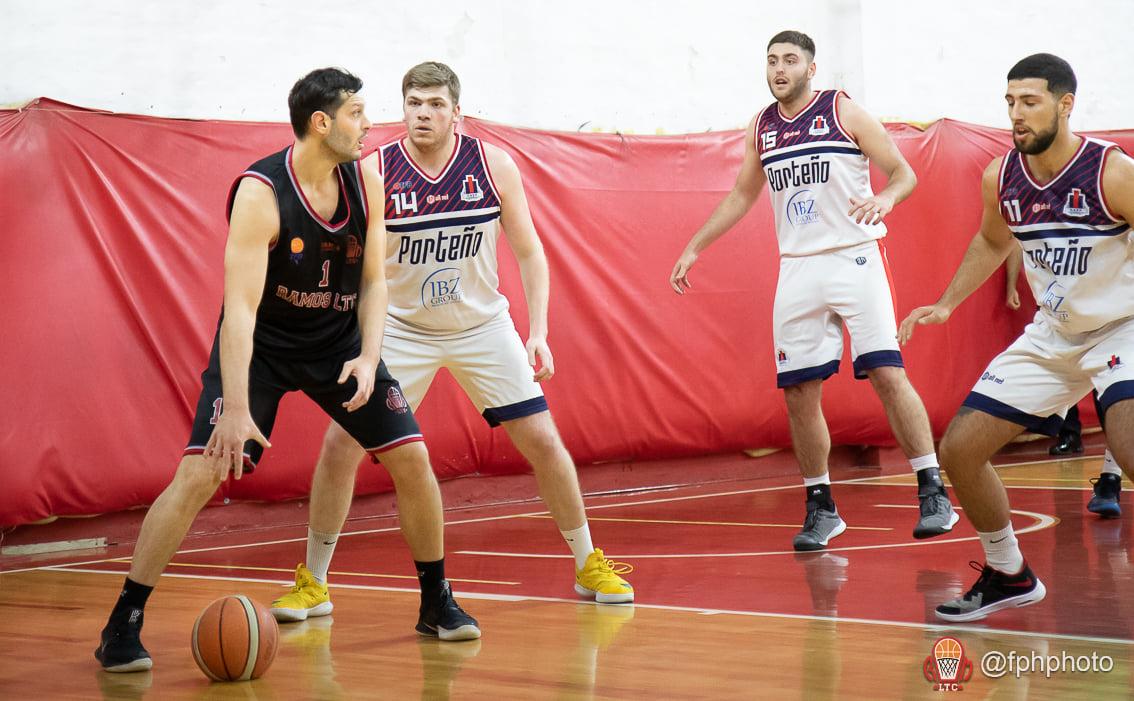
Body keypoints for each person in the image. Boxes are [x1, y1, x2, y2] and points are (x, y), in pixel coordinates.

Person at [94, 68, 480, 674]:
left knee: (412, 457)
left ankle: (437, 601)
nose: (369, 123)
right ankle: (124, 620)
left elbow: (376, 281)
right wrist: (238, 408)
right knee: (200, 472)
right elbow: (240, 313)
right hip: (263, 350)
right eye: (357, 113)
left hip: (339, 345)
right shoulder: (260, 193)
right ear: (321, 123)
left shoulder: (367, 179)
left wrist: (370, 357)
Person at [268, 61, 632, 623]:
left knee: (543, 440)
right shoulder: (373, 170)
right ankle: (314, 581)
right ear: (403, 108)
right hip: (402, 331)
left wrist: (538, 331)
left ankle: (588, 562)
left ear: (456, 112)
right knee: (341, 447)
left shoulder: (492, 165)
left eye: (436, 103)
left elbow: (531, 251)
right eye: (414, 102)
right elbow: (352, 262)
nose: (423, 112)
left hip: (482, 327)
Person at [668, 30, 957, 551]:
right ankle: (821, 506)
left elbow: (903, 171)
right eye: (772, 60)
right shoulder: (762, 126)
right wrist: (695, 245)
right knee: (799, 390)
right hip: (798, 267)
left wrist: (888, 198)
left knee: (888, 373)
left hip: (855, 257)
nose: (779, 68)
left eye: (790, 60)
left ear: (810, 68)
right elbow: (741, 195)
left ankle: (932, 487)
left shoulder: (842, 110)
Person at [899, 53, 1134, 621]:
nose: (1016, 114)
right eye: (1010, 102)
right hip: (1053, 335)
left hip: (1121, 326)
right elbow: (990, 241)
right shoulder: (1001, 175)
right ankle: (1009, 573)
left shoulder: (1112, 171)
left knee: (1129, 451)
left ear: (1065, 104)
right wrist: (946, 303)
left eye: (1029, 102)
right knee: (960, 449)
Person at [1006, 247, 1122, 514]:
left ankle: (1111, 477)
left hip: (1112, 312)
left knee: (1114, 393)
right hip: (1060, 312)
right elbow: (1004, 238)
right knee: (1062, 378)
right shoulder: (1032, 210)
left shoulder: (1111, 210)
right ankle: (1070, 435)